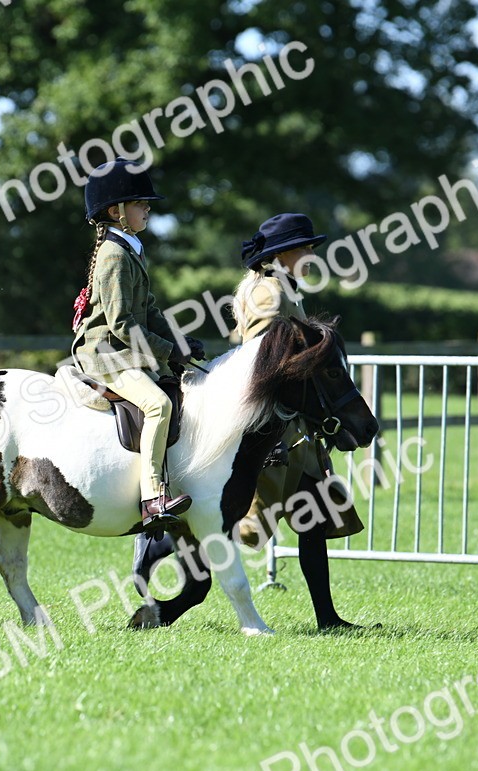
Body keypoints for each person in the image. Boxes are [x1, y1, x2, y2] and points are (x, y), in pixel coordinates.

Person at [133, 212, 370, 629]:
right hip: (273, 428)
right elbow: (260, 360)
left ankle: (328, 618)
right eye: (305, 247)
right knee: (232, 520)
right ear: (282, 254)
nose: (312, 254)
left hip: (294, 426)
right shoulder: (267, 294)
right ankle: (157, 543)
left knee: (313, 516)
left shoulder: (283, 287)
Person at [71, 158, 203, 527]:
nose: (148, 208)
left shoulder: (131, 247)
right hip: (105, 353)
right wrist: (169, 350)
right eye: (140, 203)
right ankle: (152, 497)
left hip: (122, 347)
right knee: (158, 404)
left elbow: (150, 310)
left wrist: (179, 341)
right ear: (116, 211)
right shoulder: (115, 255)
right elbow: (122, 324)